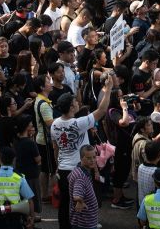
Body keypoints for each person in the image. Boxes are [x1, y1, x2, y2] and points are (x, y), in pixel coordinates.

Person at [50, 74, 114, 229]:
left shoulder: (54, 124)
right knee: (83, 201)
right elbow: (102, 110)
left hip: (64, 170)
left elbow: (55, 148)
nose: (78, 103)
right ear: (71, 107)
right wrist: (109, 88)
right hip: (79, 169)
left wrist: (57, 167)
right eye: (75, 102)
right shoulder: (79, 123)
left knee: (65, 203)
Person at [0, 146, 34, 229]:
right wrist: (31, 217)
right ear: (13, 160)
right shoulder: (19, 177)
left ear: (0, 159)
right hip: (15, 216)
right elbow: (29, 200)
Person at [67, 145, 100, 229]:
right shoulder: (81, 177)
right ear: (81, 158)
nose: (92, 160)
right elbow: (76, 195)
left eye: (94, 157)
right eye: (88, 158)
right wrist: (79, 201)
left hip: (84, 221)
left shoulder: (78, 169)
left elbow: (69, 177)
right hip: (84, 223)